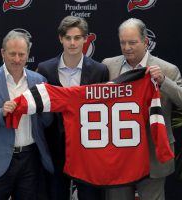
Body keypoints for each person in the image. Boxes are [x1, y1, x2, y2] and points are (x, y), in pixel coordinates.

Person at [102, 18, 182, 200]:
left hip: (153, 153)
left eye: (132, 42)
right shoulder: (108, 66)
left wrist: (164, 82)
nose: (127, 47)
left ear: (145, 42)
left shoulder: (167, 69)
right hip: (118, 155)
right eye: (123, 42)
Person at [0, 30, 54, 200]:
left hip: (31, 160)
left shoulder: (39, 81)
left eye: (21, 54)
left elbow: (47, 121)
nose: (17, 59)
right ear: (3, 53)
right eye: (12, 54)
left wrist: (41, 108)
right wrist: (0, 112)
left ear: (28, 54)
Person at [37, 15, 109, 200]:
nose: (72, 43)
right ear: (60, 38)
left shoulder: (99, 71)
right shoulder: (45, 70)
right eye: (68, 37)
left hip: (88, 150)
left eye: (77, 38)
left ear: (86, 39)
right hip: (54, 149)